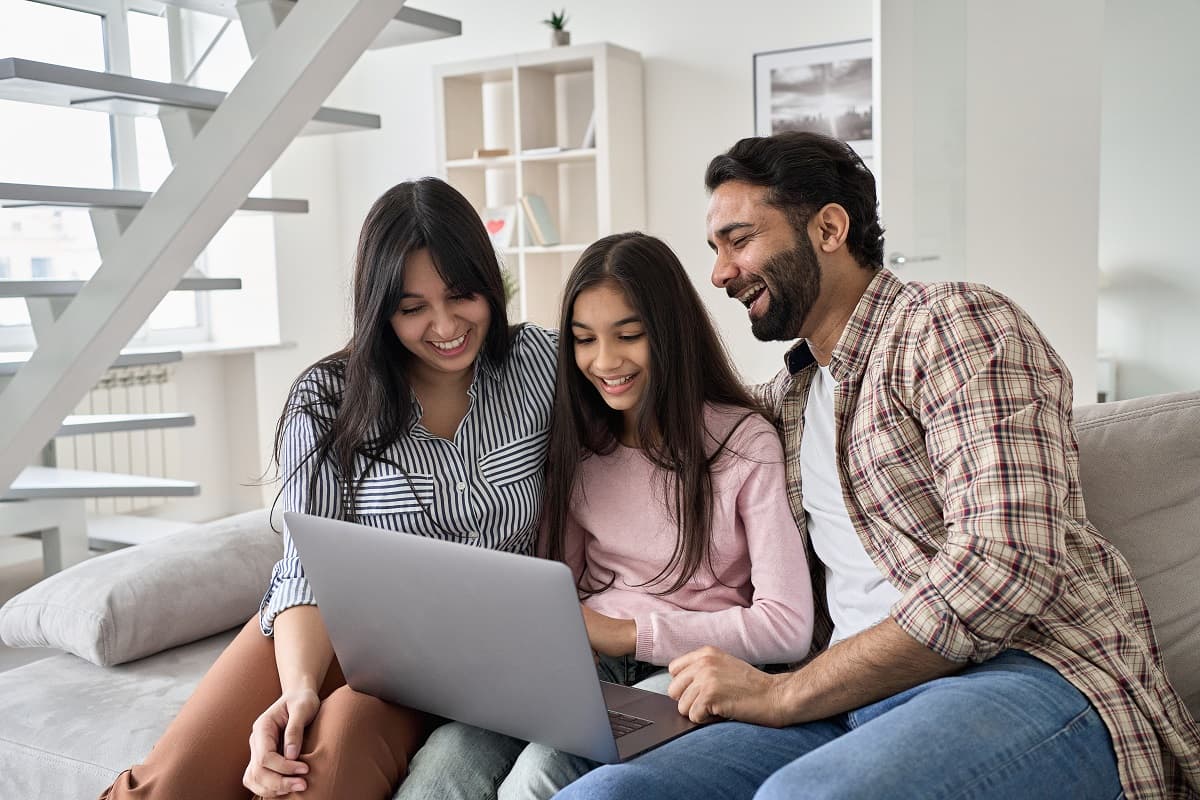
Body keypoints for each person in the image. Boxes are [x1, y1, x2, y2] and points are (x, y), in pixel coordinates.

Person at [554, 133, 1200, 800]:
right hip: (844, 702)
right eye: (714, 250)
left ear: (830, 227)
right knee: (602, 796)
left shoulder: (954, 327)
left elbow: (1005, 568)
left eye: (738, 240)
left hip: (1022, 674)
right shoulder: (790, 401)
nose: (720, 273)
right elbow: (674, 421)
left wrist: (787, 693)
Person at [99, 177, 558, 800]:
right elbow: (304, 565)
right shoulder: (326, 398)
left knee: (324, 762)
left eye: (462, 296)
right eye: (412, 307)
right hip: (323, 624)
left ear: (488, 283)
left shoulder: (541, 366)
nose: (445, 325)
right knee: (173, 783)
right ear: (379, 308)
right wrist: (298, 690)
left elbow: (657, 401)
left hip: (454, 655)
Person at [456, 232, 812, 799]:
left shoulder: (742, 442)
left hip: (685, 673)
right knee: (453, 762)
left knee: (540, 774)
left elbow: (788, 627)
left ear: (670, 333)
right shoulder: (581, 450)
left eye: (629, 335)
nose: (605, 361)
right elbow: (560, 588)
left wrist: (626, 634)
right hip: (583, 664)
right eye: (583, 340)